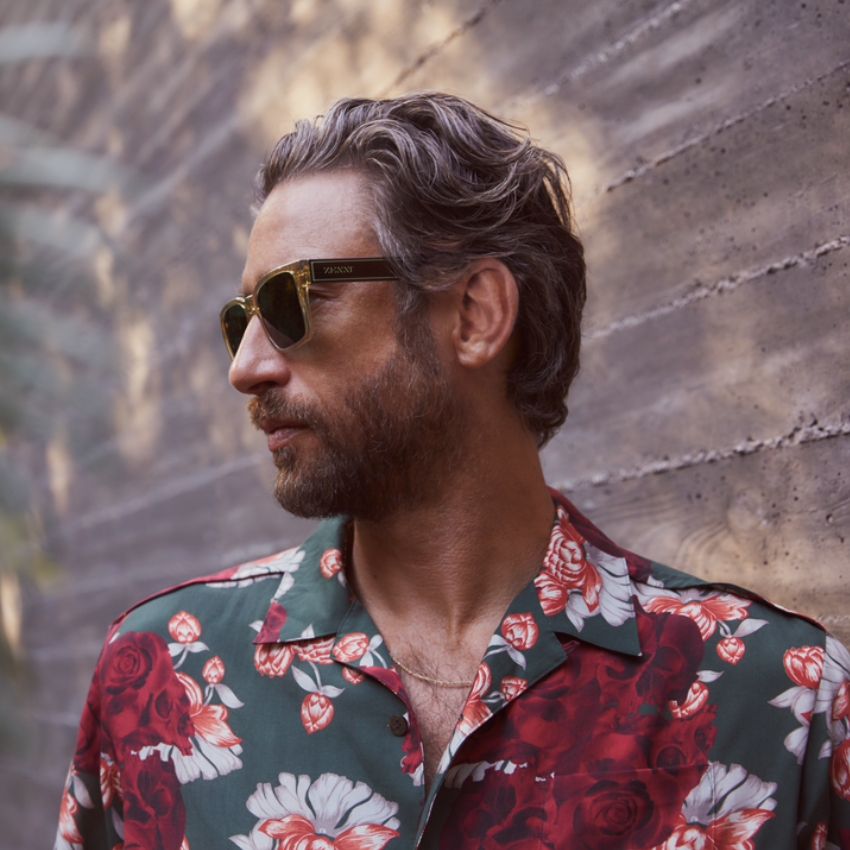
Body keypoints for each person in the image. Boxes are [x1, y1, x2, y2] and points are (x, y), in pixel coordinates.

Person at [56, 92, 850, 850]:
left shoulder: (781, 703)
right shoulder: (159, 677)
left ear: (474, 314)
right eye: (241, 321)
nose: (248, 366)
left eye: (292, 301)